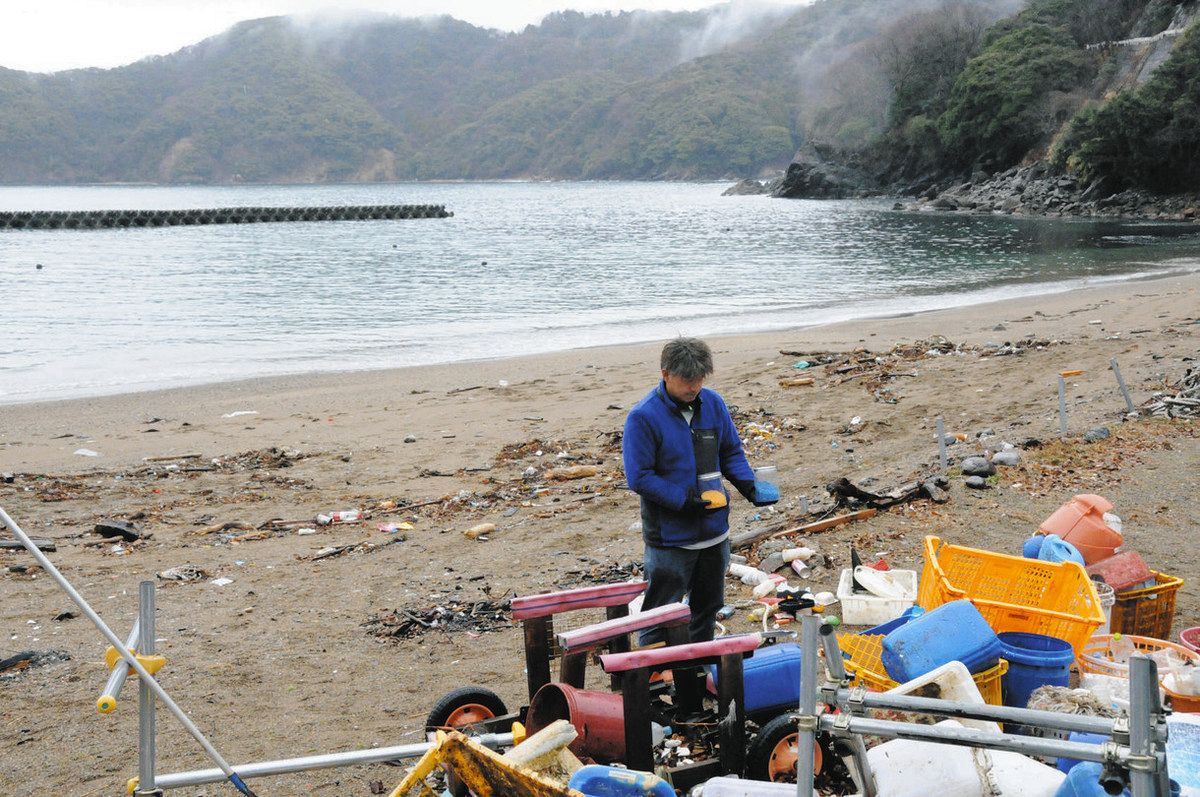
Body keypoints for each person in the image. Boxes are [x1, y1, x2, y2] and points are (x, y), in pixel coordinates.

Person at [622, 337, 776, 644]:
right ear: (665, 374)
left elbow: (730, 452)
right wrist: (683, 500)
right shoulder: (643, 417)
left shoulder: (714, 404)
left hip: (714, 534)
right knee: (659, 615)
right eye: (686, 380)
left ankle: (699, 667)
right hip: (670, 540)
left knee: (706, 609)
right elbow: (639, 477)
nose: (693, 387)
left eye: (699, 379)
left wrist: (748, 485)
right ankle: (652, 679)